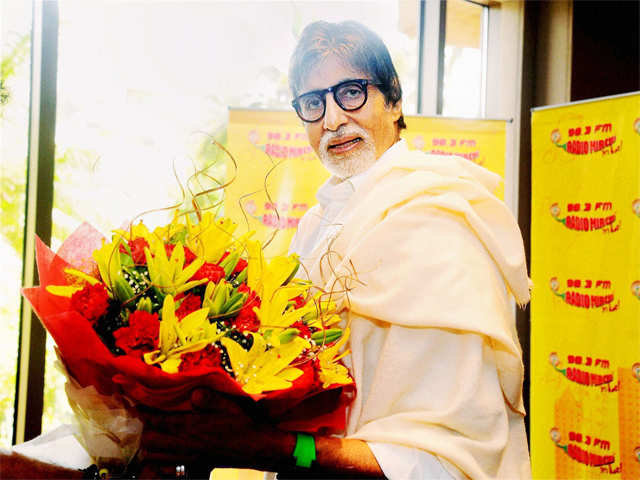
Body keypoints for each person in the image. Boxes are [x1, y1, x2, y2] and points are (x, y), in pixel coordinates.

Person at [2, 20, 531, 480]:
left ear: (394, 99)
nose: (332, 119)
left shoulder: (440, 221)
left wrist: (256, 447)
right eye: (312, 103)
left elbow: (445, 462)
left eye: (351, 92)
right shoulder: (322, 222)